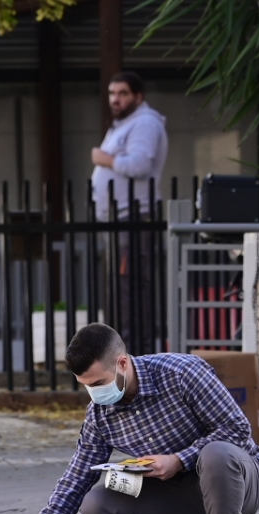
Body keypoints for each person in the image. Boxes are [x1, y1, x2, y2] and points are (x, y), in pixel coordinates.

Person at [14, 324, 259, 514]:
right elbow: (76, 478)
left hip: (238, 485)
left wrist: (179, 460)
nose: (94, 393)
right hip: (180, 497)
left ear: (122, 363)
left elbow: (236, 429)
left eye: (98, 383)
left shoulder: (182, 373)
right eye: (86, 386)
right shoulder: (100, 414)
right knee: (96, 505)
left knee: (216, 453)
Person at [90, 72, 168, 354]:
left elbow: (140, 164)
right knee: (120, 289)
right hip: (119, 218)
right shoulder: (124, 125)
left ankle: (133, 354)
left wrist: (105, 160)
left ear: (138, 96)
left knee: (129, 290)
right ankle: (123, 353)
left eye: (123, 93)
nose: (115, 99)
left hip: (133, 216)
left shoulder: (145, 123)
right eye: (112, 93)